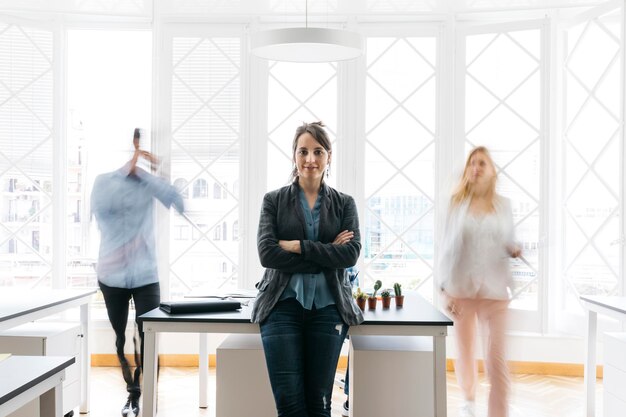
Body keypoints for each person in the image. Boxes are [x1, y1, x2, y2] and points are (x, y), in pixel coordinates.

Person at [251, 121, 363, 417]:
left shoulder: (345, 204)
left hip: (328, 310)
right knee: (289, 404)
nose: (310, 159)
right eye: (303, 151)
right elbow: (267, 254)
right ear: (294, 156)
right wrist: (329, 251)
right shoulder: (273, 201)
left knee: (319, 403)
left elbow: (350, 254)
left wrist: (298, 246)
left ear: (328, 157)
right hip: (281, 307)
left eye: (318, 152)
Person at [91, 128, 184, 417]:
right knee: (120, 338)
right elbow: (101, 211)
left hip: (146, 275)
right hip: (112, 276)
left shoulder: (148, 182)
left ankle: (145, 398)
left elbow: (178, 203)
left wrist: (159, 172)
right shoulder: (103, 182)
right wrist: (126, 174)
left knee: (148, 335)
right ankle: (132, 392)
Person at [438, 146, 521, 417]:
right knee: (465, 351)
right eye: (472, 163)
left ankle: (498, 413)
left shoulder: (504, 206)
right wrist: (444, 288)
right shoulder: (456, 205)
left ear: (491, 170)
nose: (476, 168)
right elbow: (447, 248)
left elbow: (508, 239)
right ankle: (469, 401)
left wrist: (513, 248)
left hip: (496, 291)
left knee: (496, 360)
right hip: (461, 289)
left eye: (482, 163)